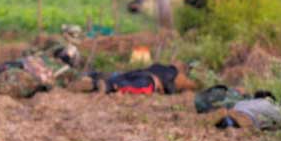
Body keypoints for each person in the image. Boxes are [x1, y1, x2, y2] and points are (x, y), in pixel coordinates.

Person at [0, 39, 82, 100]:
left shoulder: (47, 57)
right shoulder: (66, 71)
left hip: (22, 64)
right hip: (32, 77)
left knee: (0, 72)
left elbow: (34, 52)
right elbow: (79, 80)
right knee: (10, 85)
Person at [68, 62, 197, 95]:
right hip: (149, 82)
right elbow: (170, 88)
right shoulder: (172, 75)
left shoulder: (160, 66)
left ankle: (92, 79)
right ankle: (107, 86)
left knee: (118, 77)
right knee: (128, 86)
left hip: (141, 72)